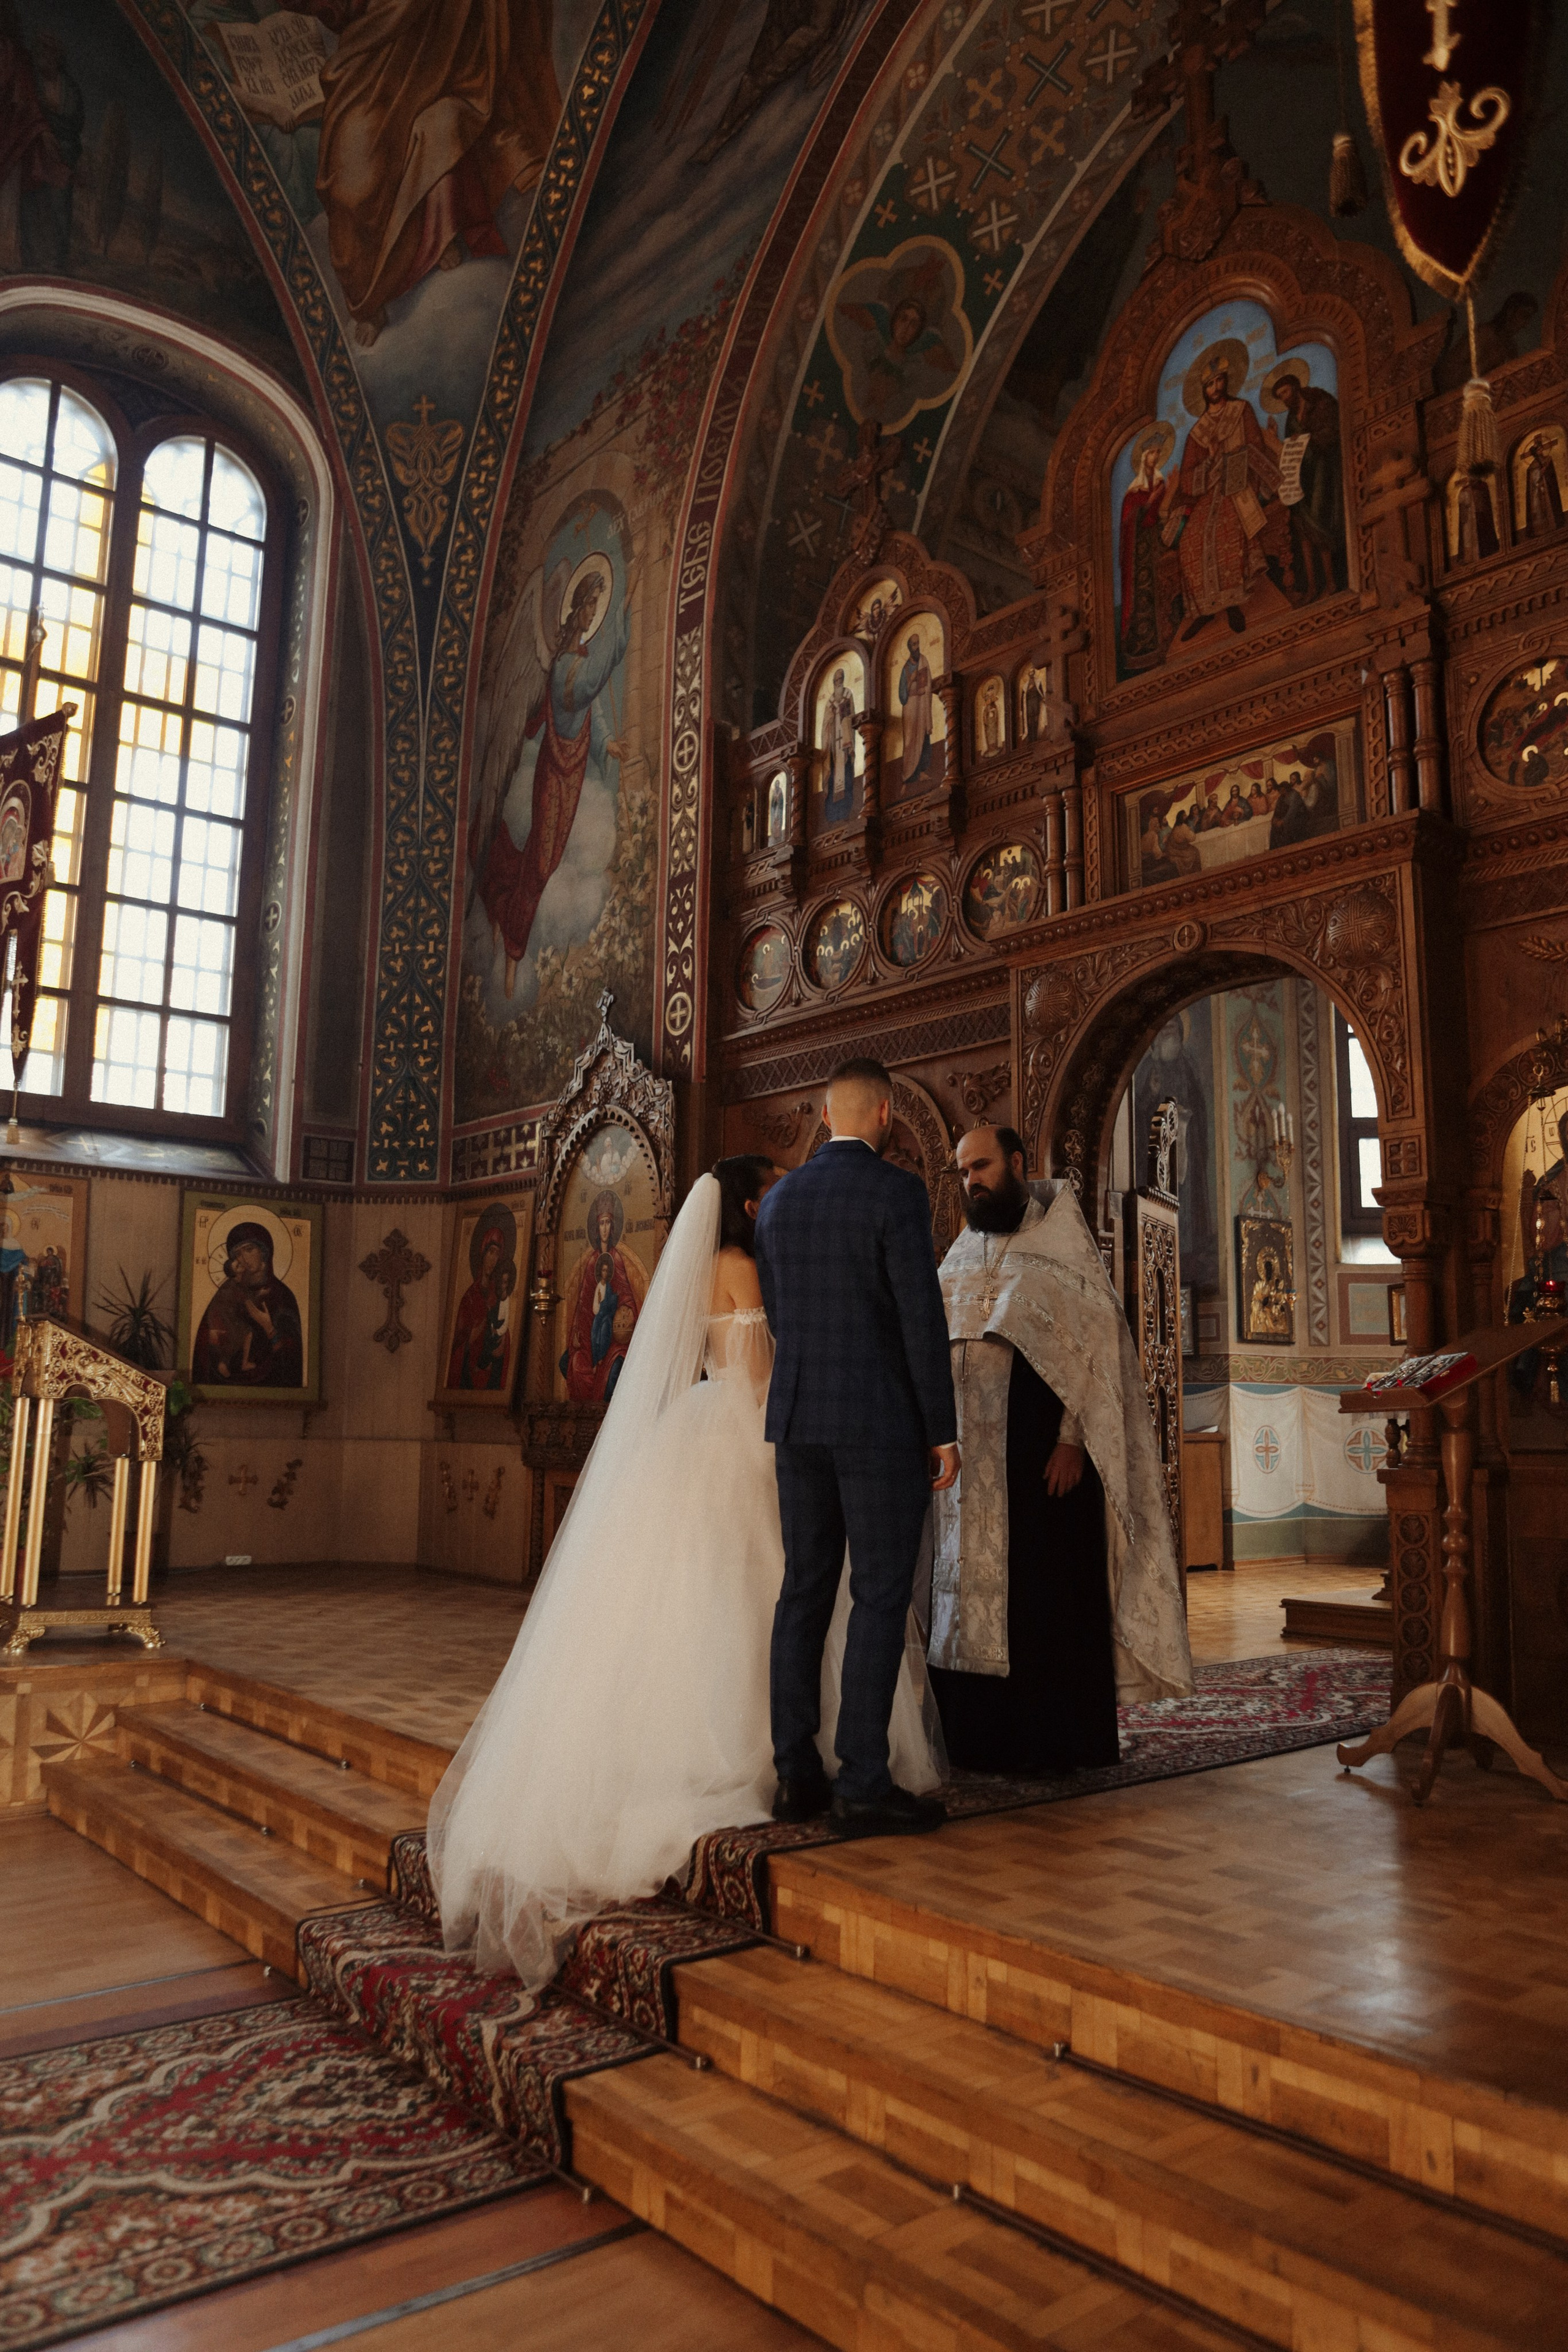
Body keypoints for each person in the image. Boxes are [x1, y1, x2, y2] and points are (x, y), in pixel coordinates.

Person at [428, 1155, 943, 1988]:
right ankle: (781, 1751)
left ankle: (776, 1752)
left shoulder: (704, 1265)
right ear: (749, 1203)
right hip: (755, 1434)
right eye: (772, 1186)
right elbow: (762, 1375)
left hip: (700, 1430)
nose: (782, 1195)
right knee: (782, 1589)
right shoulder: (742, 1266)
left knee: (711, 1601)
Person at [927, 1126, 1192, 1776]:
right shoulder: (961, 1251)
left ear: (1017, 1163)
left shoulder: (1064, 1246)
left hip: (1038, 1456)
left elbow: (1097, 1353)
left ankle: (1051, 1743)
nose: (971, 1182)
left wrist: (1072, 1441)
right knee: (963, 1595)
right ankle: (972, 1742)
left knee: (1042, 1600)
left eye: (982, 1167)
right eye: (963, 1172)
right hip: (967, 1465)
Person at [755, 1058, 958, 1838]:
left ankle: (794, 1775)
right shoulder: (896, 1192)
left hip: (798, 1419)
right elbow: (919, 1318)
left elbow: (780, 1317)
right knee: (877, 1594)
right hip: (878, 1425)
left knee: (803, 1590)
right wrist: (940, 1430)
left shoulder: (780, 1200)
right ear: (883, 1114)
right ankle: (863, 1781)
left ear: (825, 1115)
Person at [192, 1221, 304, 1388]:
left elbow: (292, 1360)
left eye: (249, 1250)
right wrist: (211, 1336)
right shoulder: (228, 1290)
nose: (244, 1259)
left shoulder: (282, 1296)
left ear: (264, 1252)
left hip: (270, 1383)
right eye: (238, 1254)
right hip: (224, 1382)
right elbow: (205, 1334)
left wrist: (269, 1328)